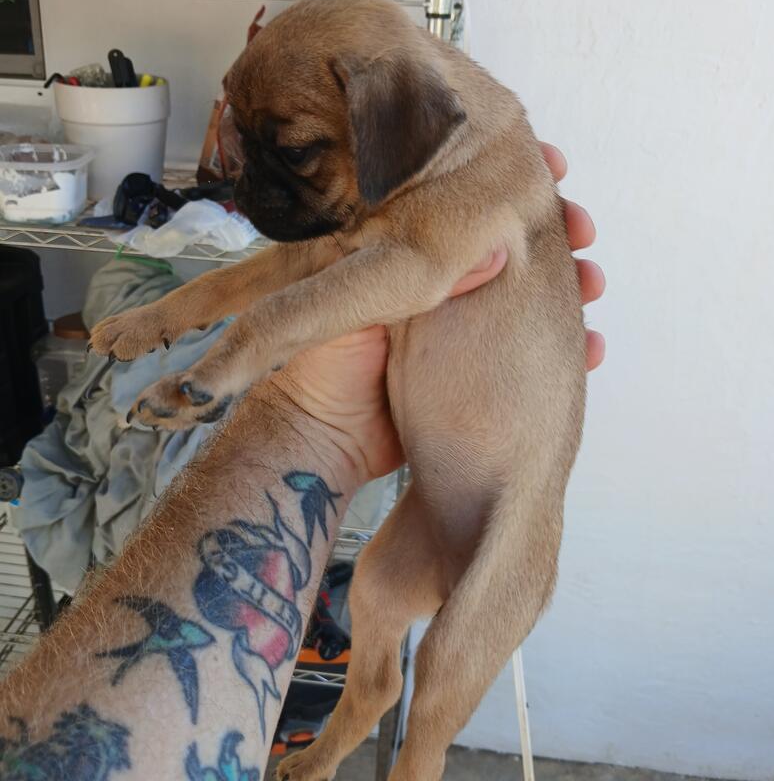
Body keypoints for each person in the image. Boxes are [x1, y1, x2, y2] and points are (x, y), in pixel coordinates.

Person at [0, 144, 604, 780]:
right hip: (420, 489)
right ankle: (330, 751)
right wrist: (168, 315)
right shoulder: (378, 195)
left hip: (512, 517)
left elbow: (375, 269)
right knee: (376, 599)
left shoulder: (469, 173)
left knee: (433, 712)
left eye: (298, 149)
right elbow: (297, 262)